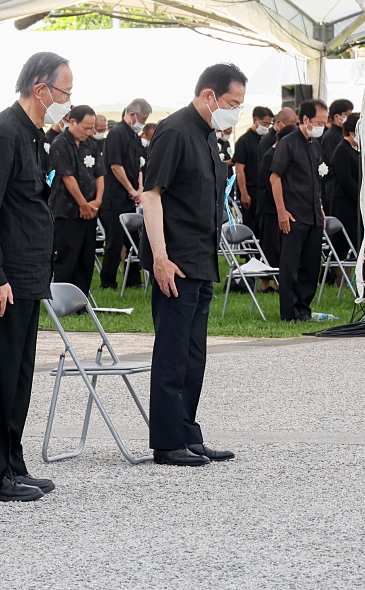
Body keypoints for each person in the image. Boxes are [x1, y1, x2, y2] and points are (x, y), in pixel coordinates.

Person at [0, 51, 71, 501]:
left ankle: (12, 462)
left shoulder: (33, 134)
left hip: (25, 274)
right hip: (0, 277)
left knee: (19, 374)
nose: (67, 100)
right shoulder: (3, 132)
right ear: (41, 89)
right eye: (64, 91)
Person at [140, 63, 245, 467]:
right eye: (232, 103)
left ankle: (187, 432)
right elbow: (151, 196)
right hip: (176, 260)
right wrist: (160, 258)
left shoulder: (207, 137)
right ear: (208, 96)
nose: (234, 111)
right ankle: (167, 442)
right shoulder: (175, 131)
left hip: (202, 259)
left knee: (193, 353)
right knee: (171, 352)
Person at [271, 100, 327, 322]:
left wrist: (320, 206)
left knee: (311, 265)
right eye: (318, 122)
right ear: (305, 119)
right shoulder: (288, 143)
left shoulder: (315, 144)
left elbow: (316, 179)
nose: (322, 126)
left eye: (325, 122)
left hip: (313, 213)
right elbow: (275, 177)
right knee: (290, 266)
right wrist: (281, 211)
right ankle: (289, 312)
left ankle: (304, 308)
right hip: (294, 213)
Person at [50, 104, 105, 295]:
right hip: (68, 210)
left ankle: (81, 300)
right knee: (67, 256)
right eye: (86, 128)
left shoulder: (92, 145)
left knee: (86, 256)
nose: (89, 132)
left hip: (90, 210)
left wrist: (97, 202)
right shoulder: (60, 143)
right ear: (72, 122)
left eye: (92, 128)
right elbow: (67, 176)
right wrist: (82, 203)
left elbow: (99, 174)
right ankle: (63, 299)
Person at [100, 98, 152, 290]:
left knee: (134, 240)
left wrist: (139, 189)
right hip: (114, 197)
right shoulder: (116, 134)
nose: (143, 124)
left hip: (131, 197)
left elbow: (139, 165)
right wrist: (130, 189)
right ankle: (108, 281)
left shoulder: (134, 137)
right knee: (114, 242)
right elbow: (115, 165)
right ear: (132, 115)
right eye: (143, 119)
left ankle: (133, 278)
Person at [258, 124, 299, 272]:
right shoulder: (270, 155)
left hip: (284, 206)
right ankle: (268, 281)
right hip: (270, 208)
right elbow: (271, 183)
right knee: (271, 246)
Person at [233, 106, 273, 236]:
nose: (267, 127)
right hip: (250, 191)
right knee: (251, 228)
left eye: (269, 124)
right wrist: (244, 193)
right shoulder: (244, 141)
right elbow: (239, 169)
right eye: (264, 123)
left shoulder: (268, 140)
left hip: (264, 192)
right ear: (255, 120)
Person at [329, 113, 362, 258]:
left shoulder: (358, 150)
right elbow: (345, 179)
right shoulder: (342, 150)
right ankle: (339, 276)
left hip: (356, 204)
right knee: (343, 242)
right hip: (345, 203)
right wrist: (360, 195)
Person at [321, 99, 353, 210]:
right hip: (334, 188)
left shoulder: (342, 134)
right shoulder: (331, 136)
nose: (349, 118)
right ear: (336, 116)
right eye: (347, 115)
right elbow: (334, 162)